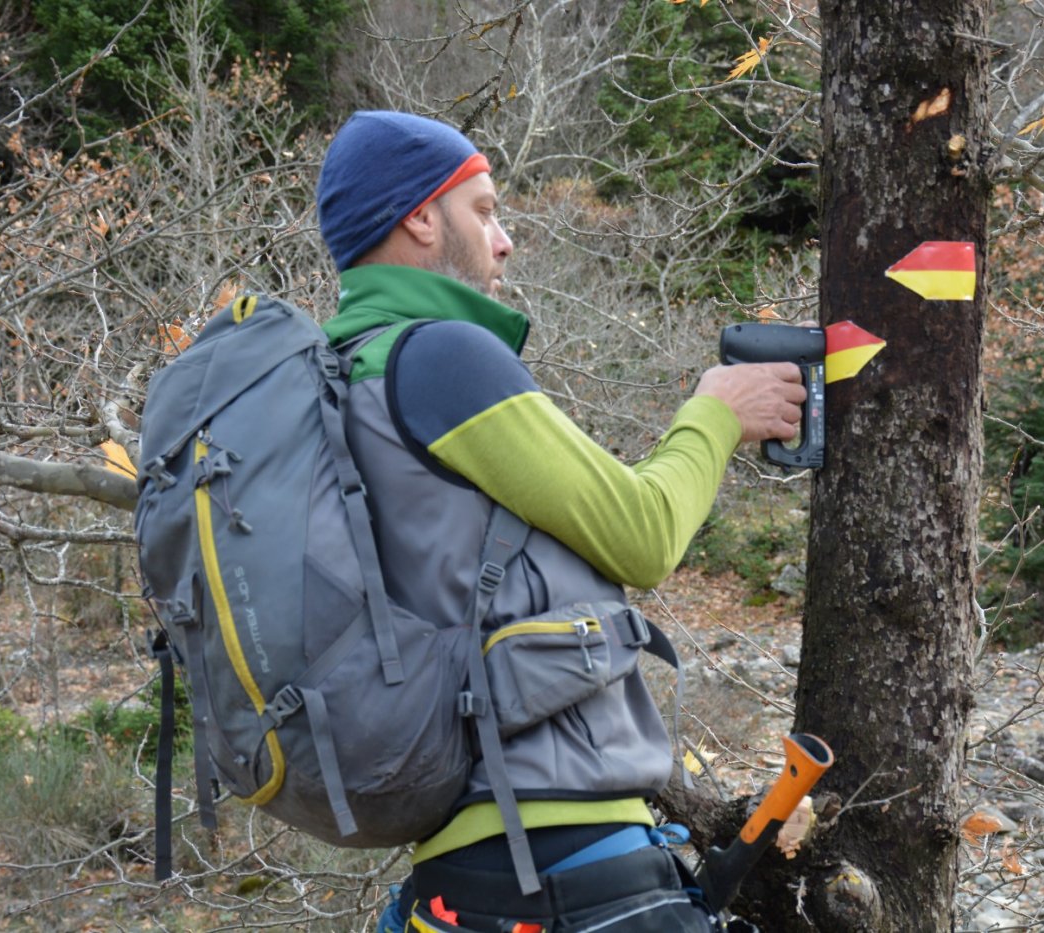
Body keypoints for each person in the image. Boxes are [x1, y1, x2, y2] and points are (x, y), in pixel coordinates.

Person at [315, 111, 804, 933]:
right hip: (568, 864)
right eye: (483, 209)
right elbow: (640, 533)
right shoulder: (440, 356)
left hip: (460, 875)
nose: (502, 240)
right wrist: (714, 415)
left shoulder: (339, 380)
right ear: (420, 217)